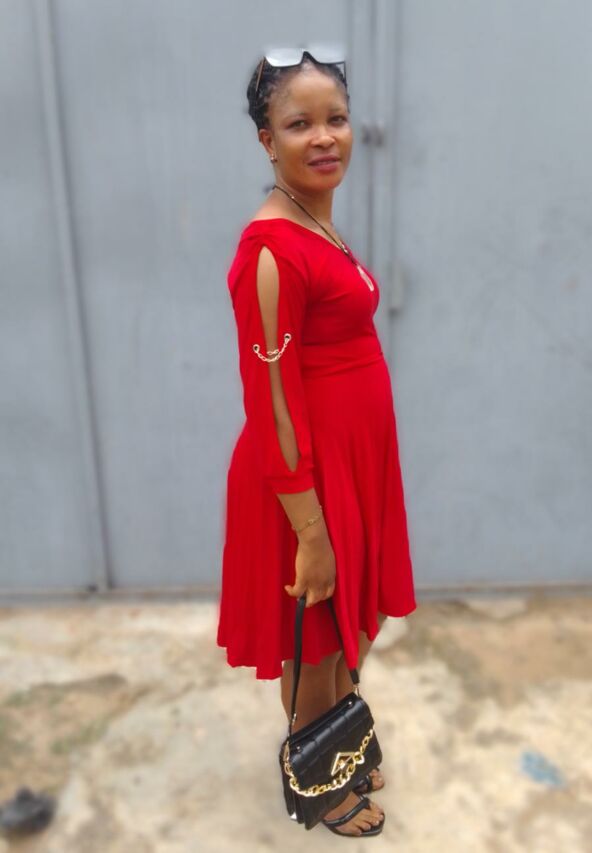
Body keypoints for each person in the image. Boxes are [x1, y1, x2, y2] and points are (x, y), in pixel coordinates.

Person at [216, 47, 417, 837]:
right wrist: (311, 531)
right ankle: (321, 780)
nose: (324, 136)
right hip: (303, 477)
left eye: (336, 118)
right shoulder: (270, 251)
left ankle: (341, 740)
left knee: (349, 628)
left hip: (353, 464)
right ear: (267, 140)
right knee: (318, 640)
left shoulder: (314, 222)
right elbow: (270, 401)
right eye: (300, 124)